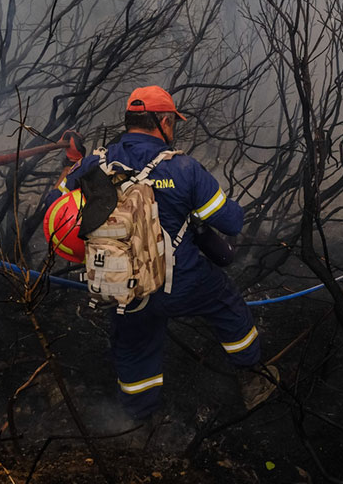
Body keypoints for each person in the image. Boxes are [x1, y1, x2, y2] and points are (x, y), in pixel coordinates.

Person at [51, 86, 279, 419]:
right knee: (226, 299)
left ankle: (139, 424)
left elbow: (54, 210)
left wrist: (72, 161)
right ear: (165, 121)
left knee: (134, 348)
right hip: (181, 284)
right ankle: (252, 378)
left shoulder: (94, 163)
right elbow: (231, 222)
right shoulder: (183, 168)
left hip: (121, 285)